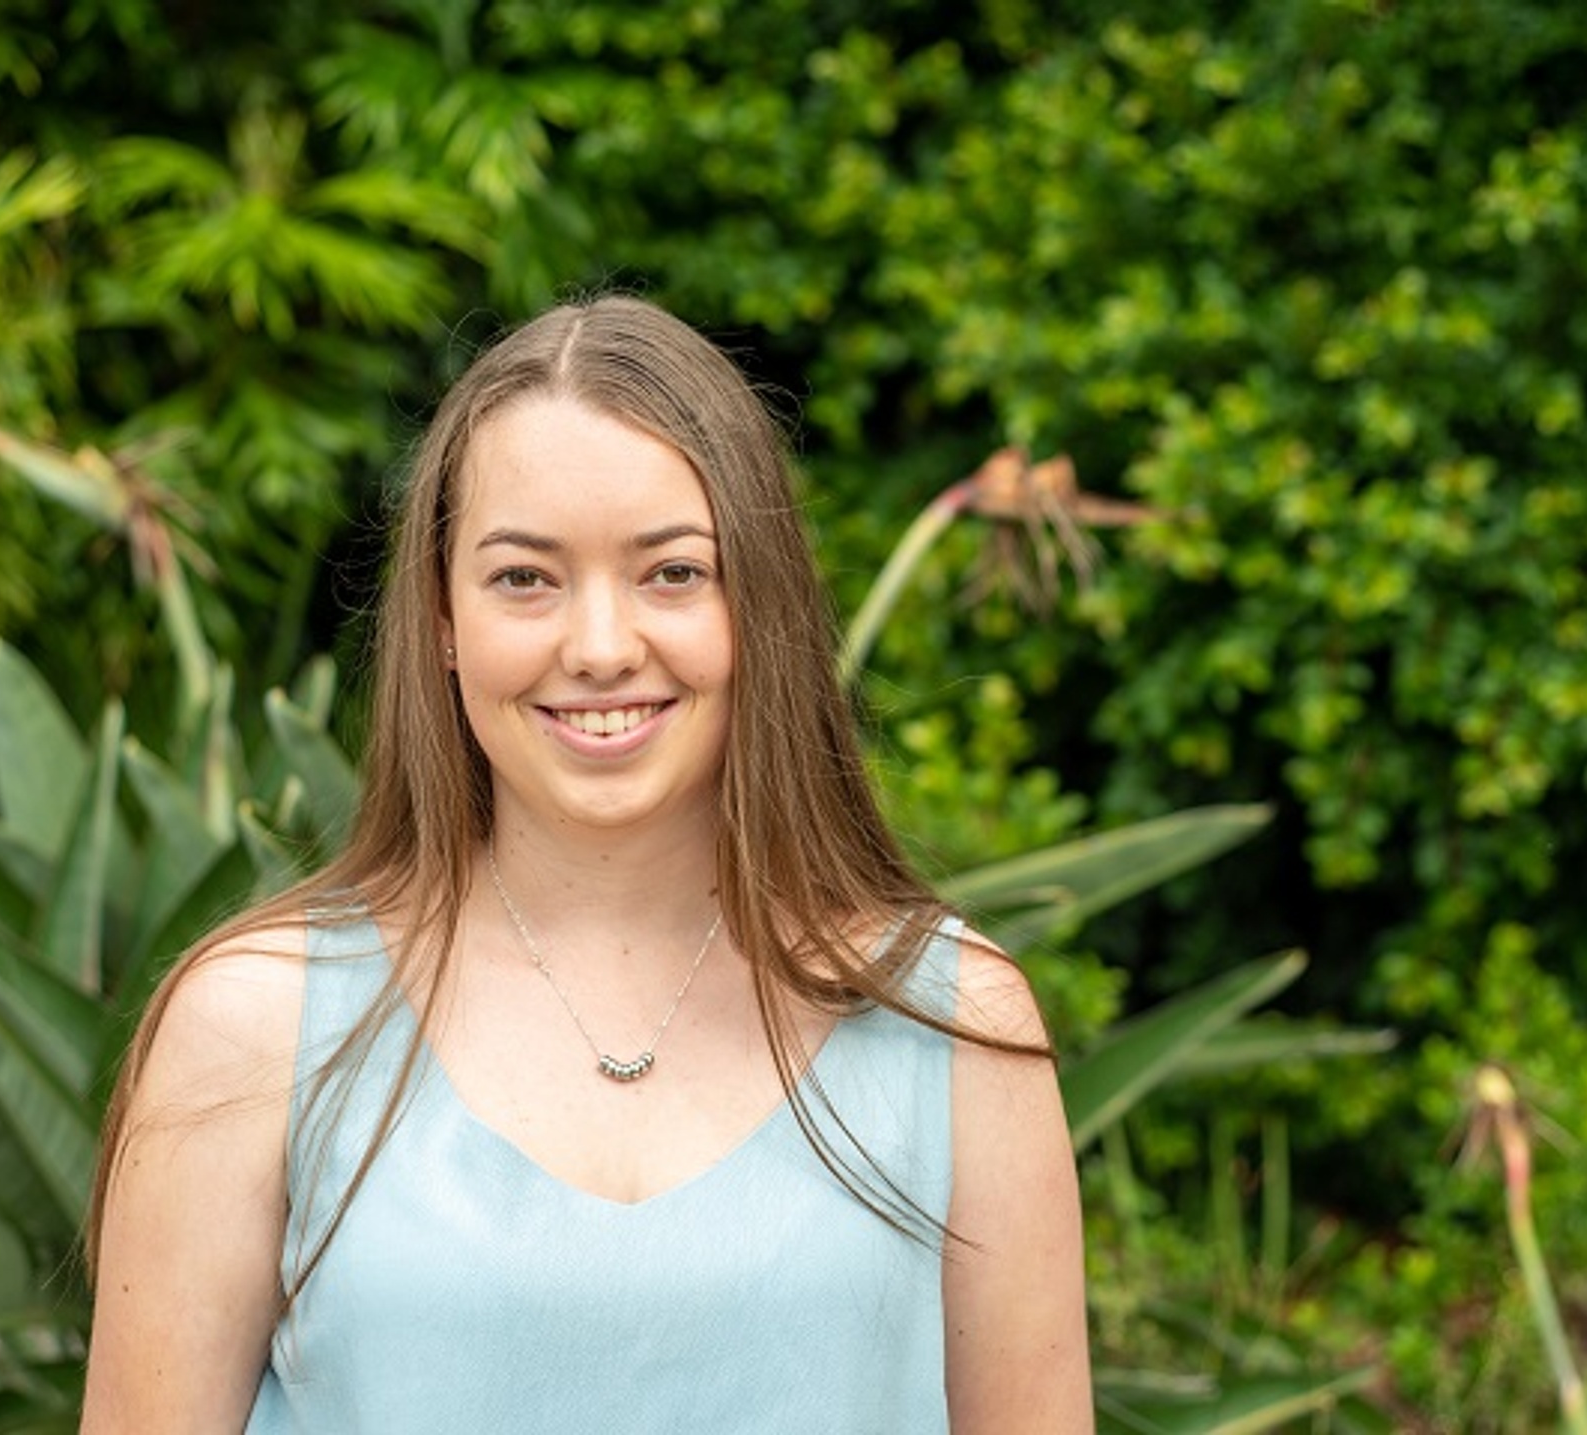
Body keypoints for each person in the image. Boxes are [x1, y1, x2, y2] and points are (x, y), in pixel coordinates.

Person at [81, 295, 1091, 1433]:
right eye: (525, 577)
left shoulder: (952, 1027)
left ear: (760, 603)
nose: (602, 648)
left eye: (671, 572)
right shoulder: (255, 1027)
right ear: (442, 619)